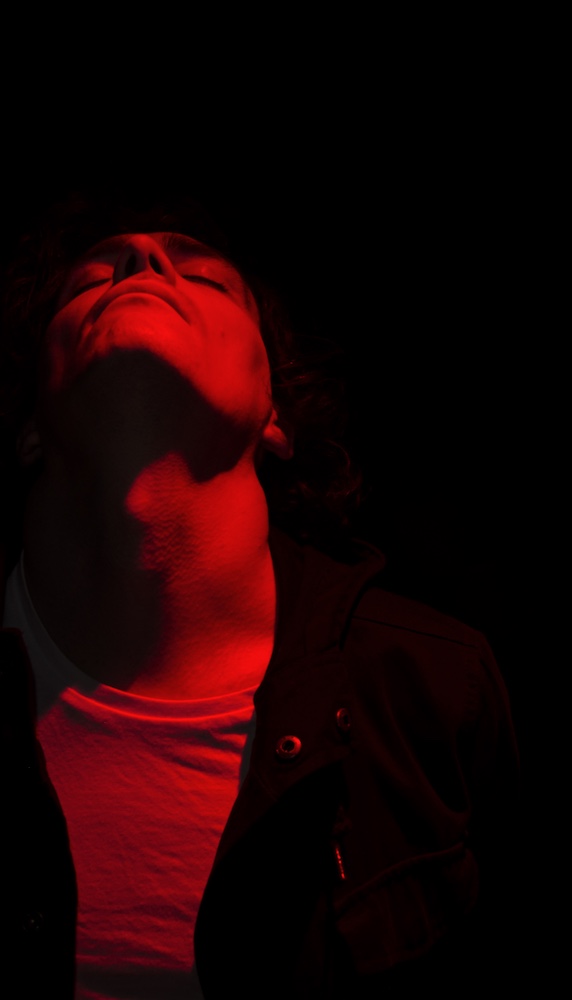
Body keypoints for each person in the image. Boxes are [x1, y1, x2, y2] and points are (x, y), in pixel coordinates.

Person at [0, 195, 519, 998]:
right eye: (91, 280)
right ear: (31, 421)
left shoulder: (434, 688)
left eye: (205, 278)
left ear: (275, 413)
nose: (143, 260)